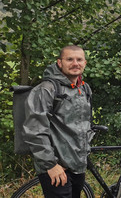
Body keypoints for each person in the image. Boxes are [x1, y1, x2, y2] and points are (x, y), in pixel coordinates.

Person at [23, 45, 92, 198]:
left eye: (79, 59)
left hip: (78, 166)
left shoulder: (84, 88)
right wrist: (51, 165)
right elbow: (35, 130)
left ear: (85, 63)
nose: (75, 63)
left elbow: (83, 124)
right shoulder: (47, 89)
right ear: (59, 63)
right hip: (56, 167)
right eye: (69, 59)